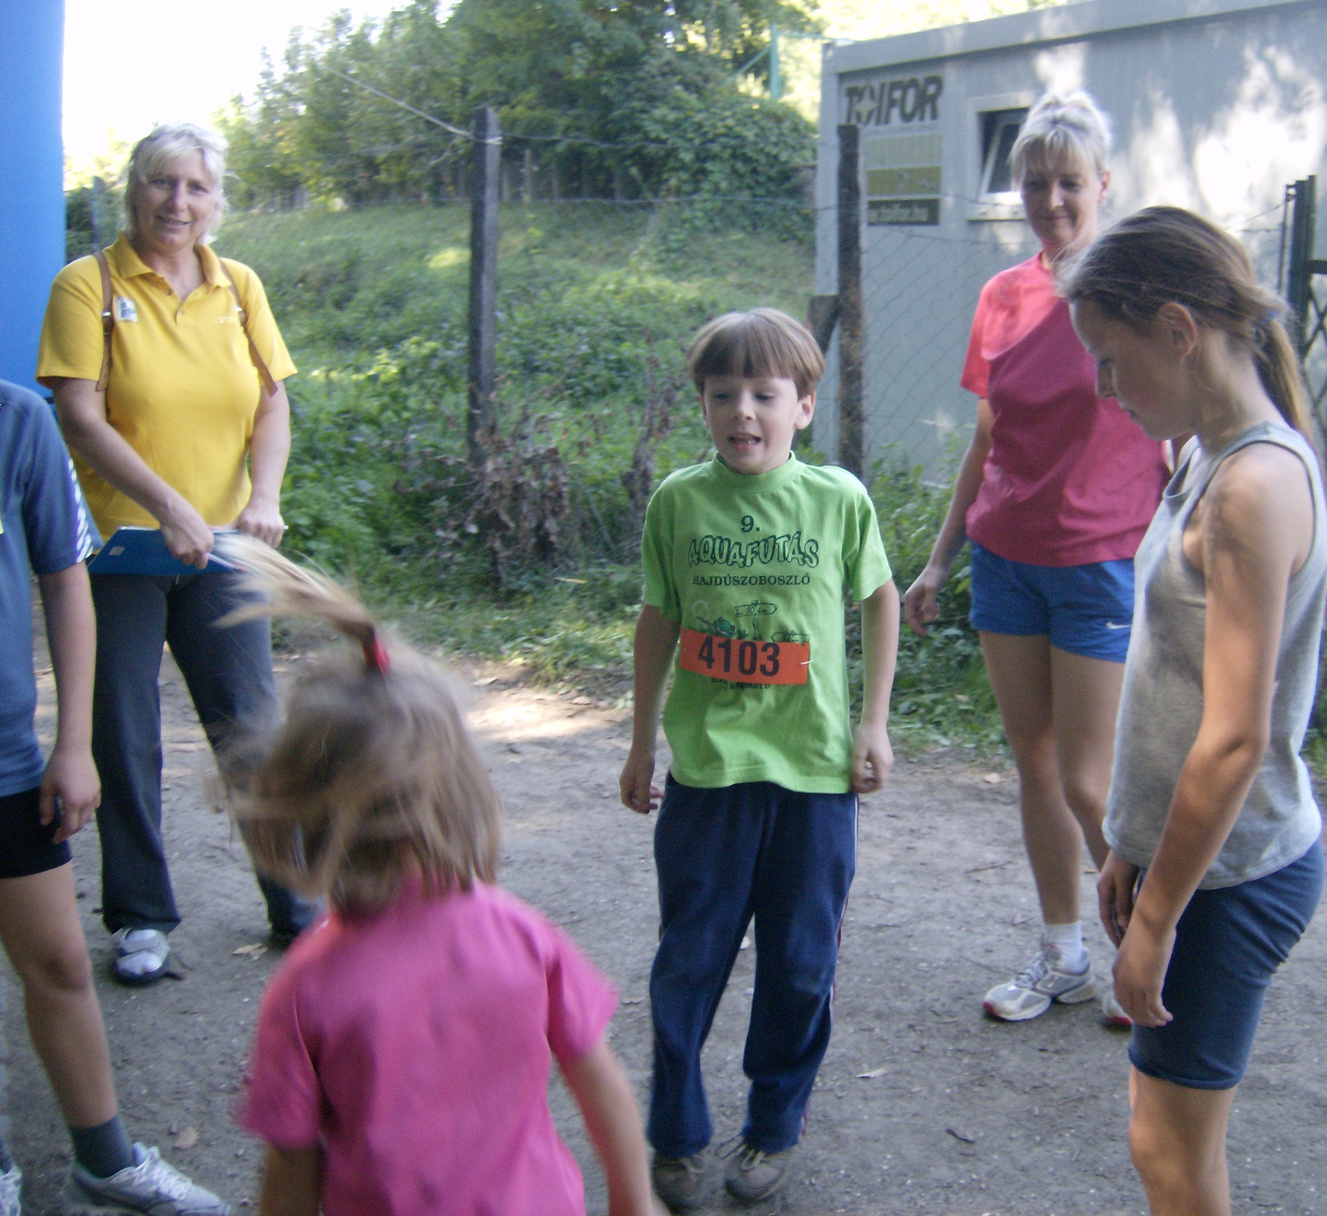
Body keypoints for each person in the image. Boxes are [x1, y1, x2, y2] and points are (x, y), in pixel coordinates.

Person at [219, 538, 657, 1216]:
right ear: (459, 791)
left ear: (306, 810)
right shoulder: (519, 933)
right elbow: (598, 1078)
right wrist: (634, 1202)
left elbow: (290, 1169)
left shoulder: (305, 990)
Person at [1063, 207, 1327, 1216]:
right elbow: (1169, 684)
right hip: (1187, 858)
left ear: (1177, 329)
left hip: (1231, 874)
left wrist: (1157, 920)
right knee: (1161, 1143)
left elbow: (1231, 736)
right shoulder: (1202, 457)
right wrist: (1128, 843)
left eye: (1110, 355)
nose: (1103, 385)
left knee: (1171, 1157)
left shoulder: (1251, 486)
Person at [619, 309, 898, 1209]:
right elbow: (657, 621)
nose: (743, 411)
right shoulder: (679, 503)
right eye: (722, 394)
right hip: (708, 778)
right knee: (688, 961)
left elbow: (880, 599)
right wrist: (638, 741)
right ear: (702, 404)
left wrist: (873, 723)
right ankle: (675, 1133)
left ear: (803, 406)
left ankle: (774, 1124)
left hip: (814, 781)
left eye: (764, 395)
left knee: (802, 963)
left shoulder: (838, 501)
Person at [903, 90, 1167, 1024]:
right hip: (1005, 556)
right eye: (1035, 183)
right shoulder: (1003, 295)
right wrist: (939, 560)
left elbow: (1179, 428)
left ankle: (1148, 948)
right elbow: (986, 438)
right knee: (1034, 760)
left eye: (1069, 181)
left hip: (1101, 561)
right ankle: (1063, 955)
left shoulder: (1135, 297)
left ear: (1103, 184)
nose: (1052, 199)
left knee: (1093, 779)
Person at [37, 122, 315, 985]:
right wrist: (167, 506)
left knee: (253, 726)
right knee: (122, 732)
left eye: (196, 188)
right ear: (132, 190)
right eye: (162, 184)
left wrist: (262, 498)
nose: (177, 203)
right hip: (120, 553)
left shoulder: (238, 287)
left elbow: (270, 405)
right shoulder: (87, 286)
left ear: (217, 200)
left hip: (225, 549)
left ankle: (296, 903)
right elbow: (78, 413)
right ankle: (141, 920)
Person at [0, 379, 229, 1215]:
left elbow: (65, 579)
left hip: (6, 757)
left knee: (58, 963)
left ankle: (103, 1162)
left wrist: (70, 744)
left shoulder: (16, 419)